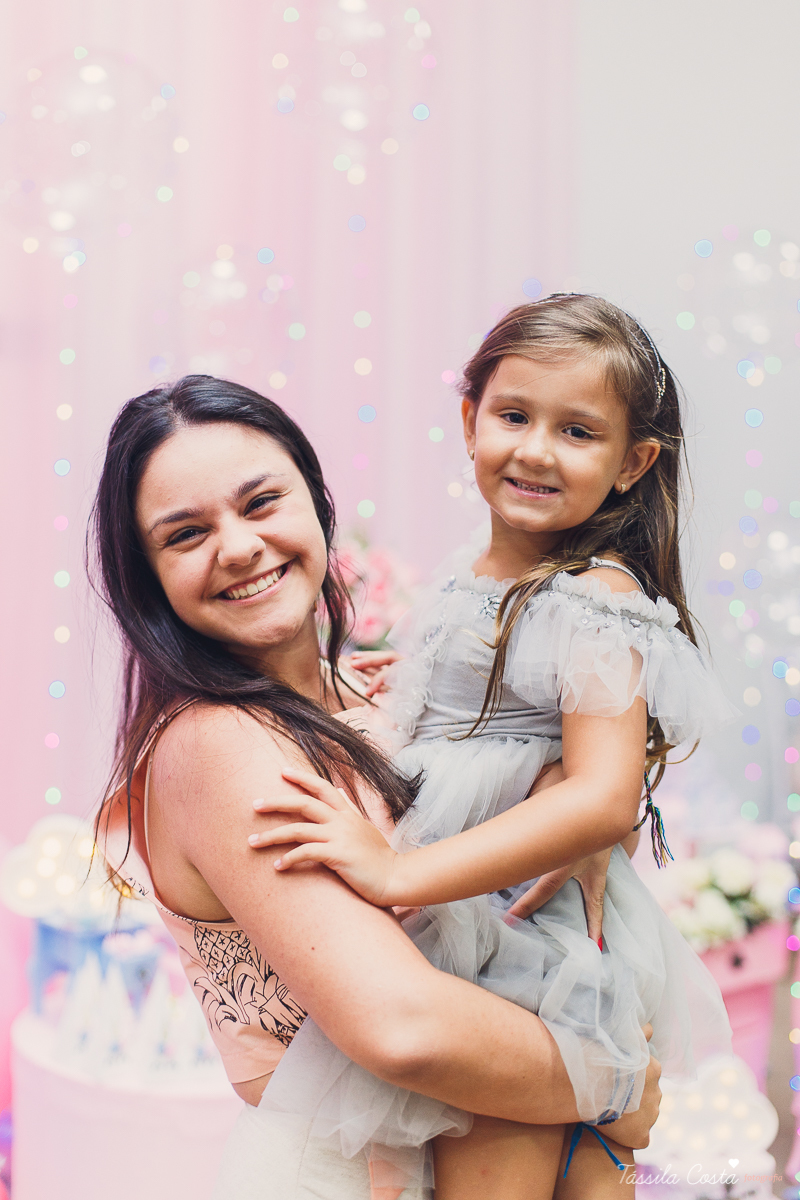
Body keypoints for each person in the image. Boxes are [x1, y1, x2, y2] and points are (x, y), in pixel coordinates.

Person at [92, 374, 661, 1200]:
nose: (240, 546)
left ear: (318, 507)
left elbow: (559, 851)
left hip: (488, 1147)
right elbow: (403, 1026)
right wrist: (613, 1083)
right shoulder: (214, 743)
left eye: (260, 503)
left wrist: (563, 790)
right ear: (147, 579)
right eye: (185, 535)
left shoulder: (372, 694)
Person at [246, 295, 736, 1198]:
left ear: (633, 464)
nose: (537, 449)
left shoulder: (596, 595)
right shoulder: (478, 570)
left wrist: (393, 877)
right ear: (470, 421)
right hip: (477, 923)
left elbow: (602, 796)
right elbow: (497, 711)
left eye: (578, 432)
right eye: (515, 416)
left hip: (521, 943)